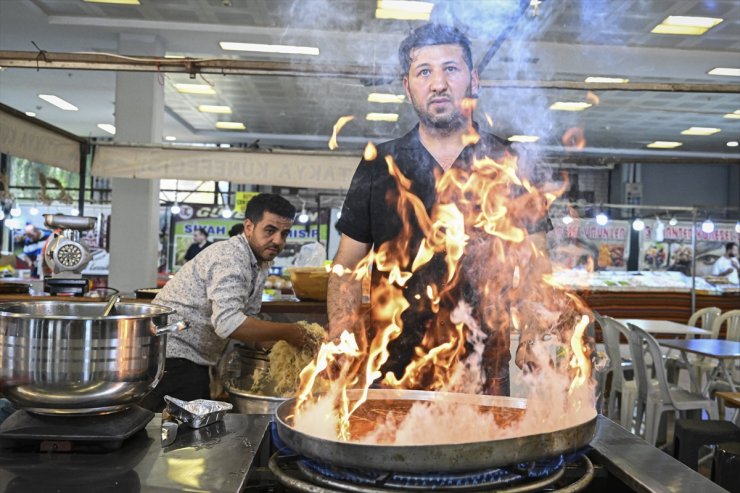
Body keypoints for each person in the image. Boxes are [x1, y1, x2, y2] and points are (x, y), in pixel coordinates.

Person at [328, 23, 550, 396]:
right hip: (392, 372)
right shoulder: (378, 166)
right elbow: (346, 267)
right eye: (424, 71)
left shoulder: (511, 163)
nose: (438, 83)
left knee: (483, 454)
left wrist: (533, 330)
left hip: (484, 371)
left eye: (451, 68)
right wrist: (341, 330)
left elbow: (537, 264)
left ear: (473, 79)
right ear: (407, 86)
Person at [141, 193, 316, 410]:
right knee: (184, 438)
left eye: (285, 233)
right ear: (249, 227)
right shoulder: (230, 258)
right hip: (171, 357)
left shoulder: (259, 263)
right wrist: (291, 332)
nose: (278, 240)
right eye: (270, 230)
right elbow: (229, 323)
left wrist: (300, 347)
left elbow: (248, 323)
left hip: (190, 359)